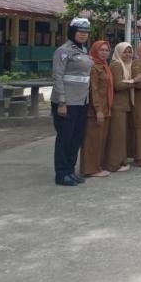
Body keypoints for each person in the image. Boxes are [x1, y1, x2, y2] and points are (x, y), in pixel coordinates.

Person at [50, 17, 93, 186]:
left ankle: (70, 170)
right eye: (80, 32)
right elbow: (57, 76)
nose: (83, 35)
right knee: (65, 138)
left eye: (86, 33)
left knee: (76, 138)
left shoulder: (83, 51)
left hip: (81, 101)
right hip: (67, 102)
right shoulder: (63, 50)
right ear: (73, 32)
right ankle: (61, 174)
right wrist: (61, 102)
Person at [80, 40, 113, 178]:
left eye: (106, 50)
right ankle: (90, 168)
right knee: (92, 140)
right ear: (95, 51)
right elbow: (93, 89)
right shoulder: (94, 67)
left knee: (99, 139)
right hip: (95, 110)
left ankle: (96, 166)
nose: (104, 52)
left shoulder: (105, 65)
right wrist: (98, 109)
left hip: (106, 108)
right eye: (101, 50)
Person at [105, 42, 137, 173]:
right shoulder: (116, 65)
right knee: (117, 135)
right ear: (118, 52)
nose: (128, 54)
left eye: (130, 51)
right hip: (118, 105)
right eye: (125, 51)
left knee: (122, 135)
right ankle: (113, 164)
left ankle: (120, 160)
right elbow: (117, 85)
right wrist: (135, 81)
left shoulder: (127, 65)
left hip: (124, 104)